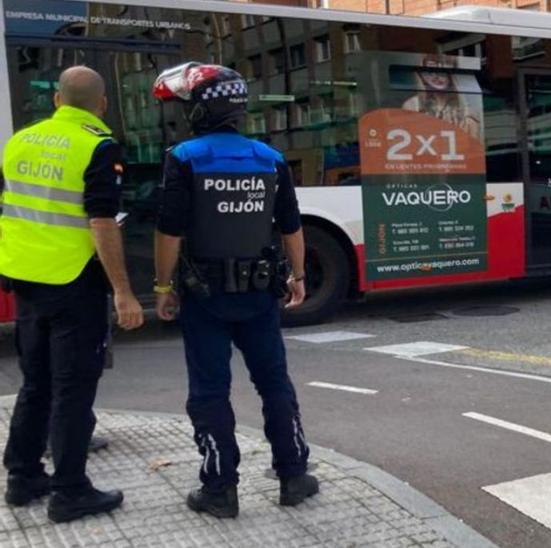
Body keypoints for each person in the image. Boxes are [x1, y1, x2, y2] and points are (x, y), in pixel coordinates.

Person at [150, 62, 318, 519]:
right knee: (274, 383)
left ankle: (220, 488)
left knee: (209, 390)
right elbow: (290, 227)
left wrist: (163, 287)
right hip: (261, 294)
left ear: (200, 110)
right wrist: (298, 276)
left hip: (205, 297)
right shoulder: (270, 159)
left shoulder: (184, 158)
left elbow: (169, 231)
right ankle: (293, 476)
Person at [1, 66, 142, 523]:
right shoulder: (98, 146)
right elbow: (101, 221)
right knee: (73, 389)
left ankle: (22, 479)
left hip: (24, 279)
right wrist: (123, 291)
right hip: (73, 284)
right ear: (101, 104)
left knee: (35, 382)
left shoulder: (20, 141)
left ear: (57, 100)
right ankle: (70, 491)